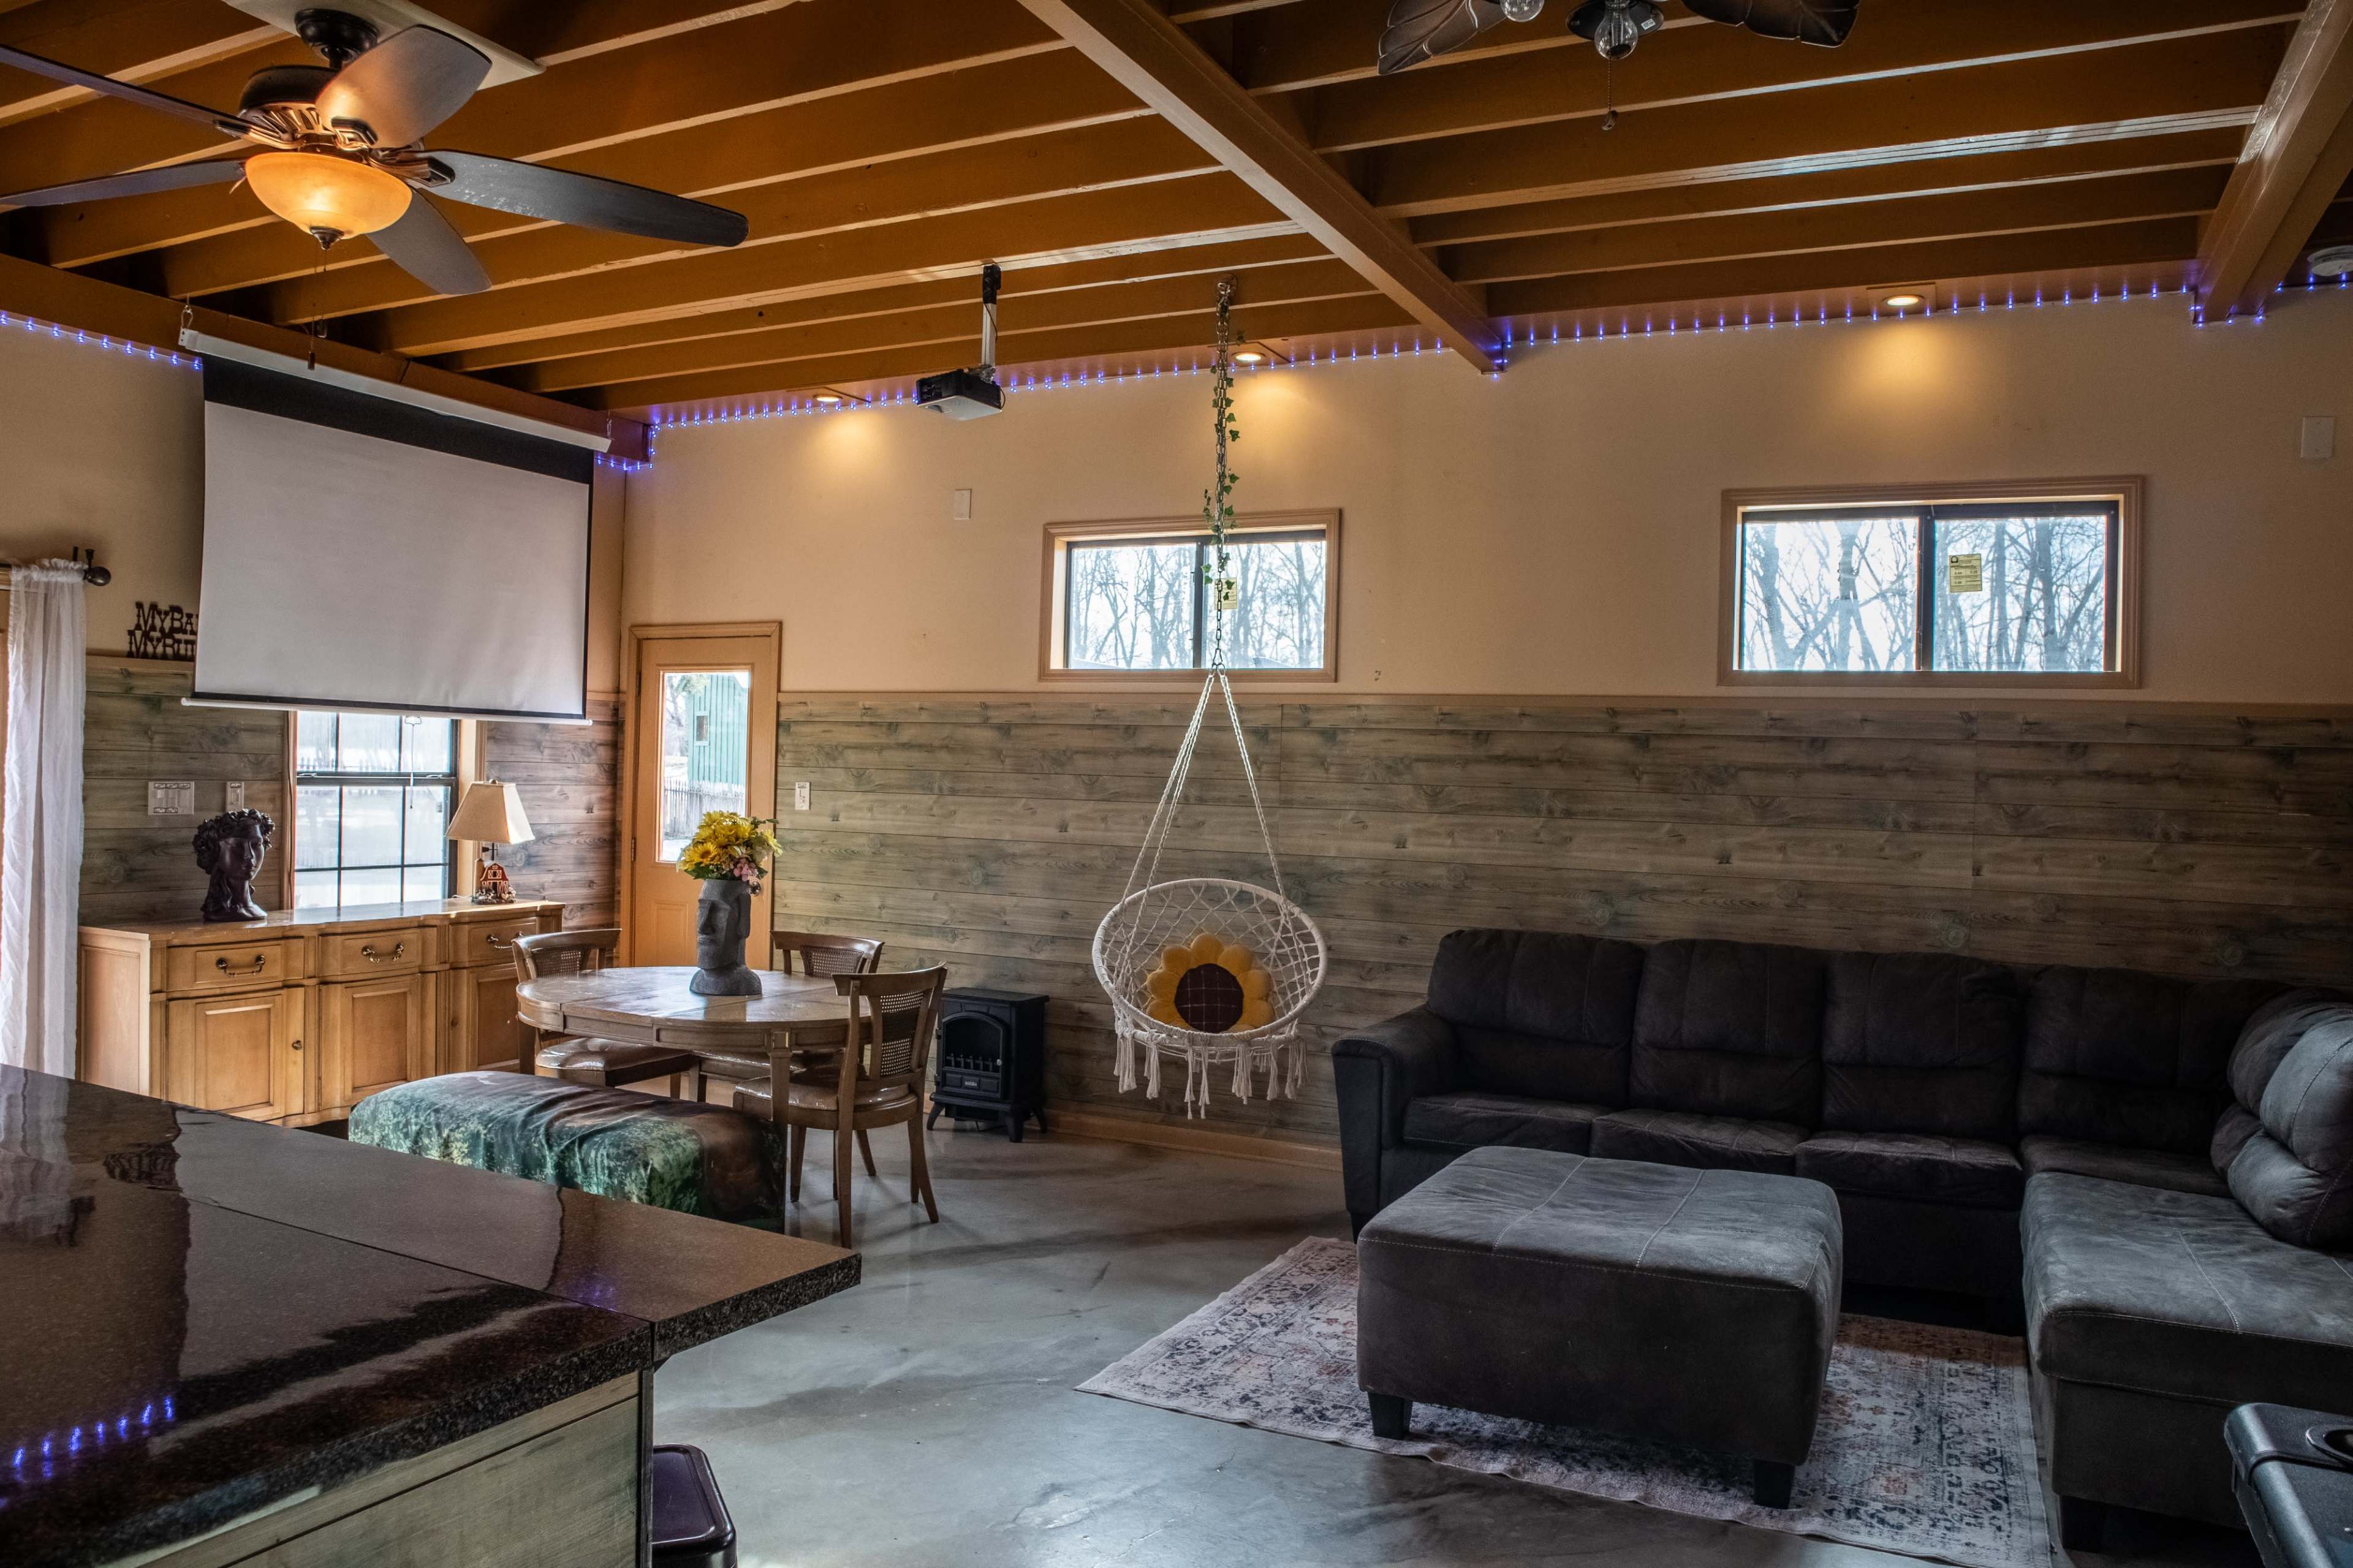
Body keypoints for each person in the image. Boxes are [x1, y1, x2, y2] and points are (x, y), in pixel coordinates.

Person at [192, 809, 274, 922]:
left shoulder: (253, 910)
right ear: (216, 851)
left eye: (257, 845)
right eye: (237, 846)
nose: (249, 856)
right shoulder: (218, 911)